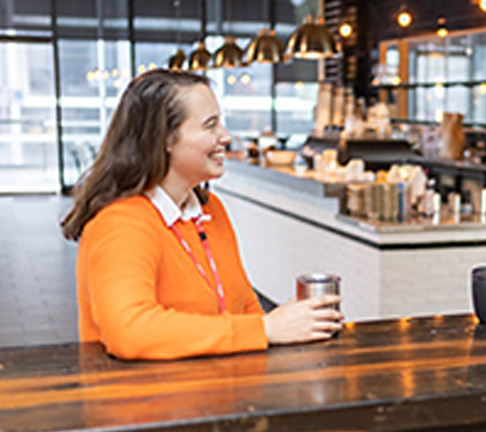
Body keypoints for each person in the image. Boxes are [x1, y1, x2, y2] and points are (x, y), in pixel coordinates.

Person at [61, 69, 342, 360]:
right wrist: (265, 328)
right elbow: (129, 331)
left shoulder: (211, 210)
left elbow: (245, 305)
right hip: (144, 400)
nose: (226, 136)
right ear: (166, 139)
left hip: (217, 392)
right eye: (211, 125)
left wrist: (282, 328)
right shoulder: (120, 224)